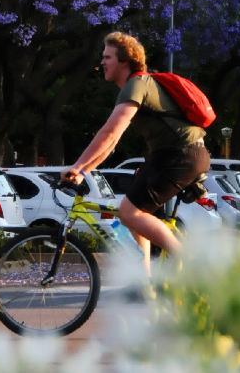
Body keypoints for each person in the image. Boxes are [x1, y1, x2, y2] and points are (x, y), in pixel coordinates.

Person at [62, 32, 210, 267]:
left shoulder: (137, 84)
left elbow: (109, 131)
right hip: (173, 156)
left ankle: (190, 263)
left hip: (181, 155)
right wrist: (82, 171)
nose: (102, 62)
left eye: (107, 57)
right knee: (136, 213)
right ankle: (144, 282)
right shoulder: (136, 85)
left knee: (129, 213)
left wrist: (78, 166)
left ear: (125, 60)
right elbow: (112, 141)